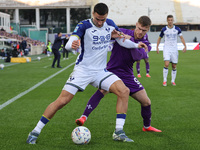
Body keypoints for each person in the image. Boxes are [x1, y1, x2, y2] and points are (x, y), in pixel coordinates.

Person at [26, 3, 147, 144]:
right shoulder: (84, 25)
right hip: (83, 70)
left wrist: (136, 45)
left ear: (107, 16)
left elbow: (121, 40)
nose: (100, 22)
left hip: (100, 71)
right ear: (92, 14)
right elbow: (70, 42)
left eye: (103, 19)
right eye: (97, 19)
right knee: (62, 101)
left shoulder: (110, 24)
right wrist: (72, 45)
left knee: (124, 91)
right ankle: (35, 131)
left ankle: (118, 132)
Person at [75, 16, 162, 135]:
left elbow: (137, 57)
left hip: (127, 75)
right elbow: (106, 35)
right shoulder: (123, 31)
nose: (140, 32)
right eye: (139, 28)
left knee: (146, 102)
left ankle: (147, 126)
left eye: (144, 30)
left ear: (148, 30)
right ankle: (83, 117)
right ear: (136, 25)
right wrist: (120, 36)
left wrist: (130, 41)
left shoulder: (146, 43)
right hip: (112, 71)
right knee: (102, 91)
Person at [156, 15, 186, 86]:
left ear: (173, 20)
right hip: (167, 48)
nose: (170, 21)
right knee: (166, 64)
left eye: (171, 20)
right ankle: (165, 80)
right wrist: (157, 47)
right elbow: (159, 38)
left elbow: (181, 38)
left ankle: (173, 81)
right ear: (167, 21)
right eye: (169, 20)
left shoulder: (177, 29)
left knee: (174, 66)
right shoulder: (164, 29)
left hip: (174, 49)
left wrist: (185, 46)